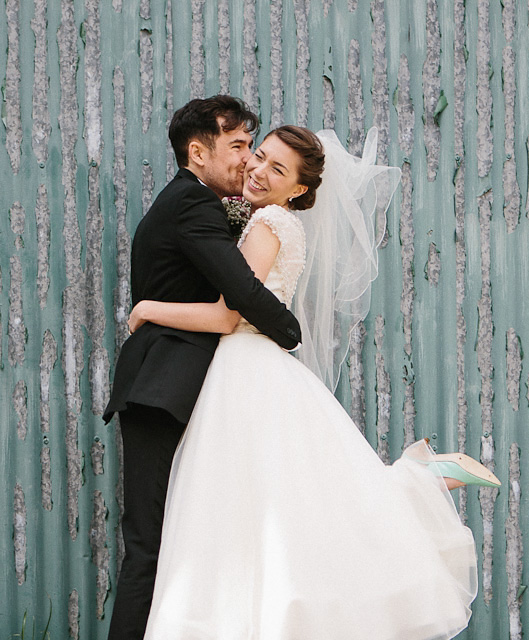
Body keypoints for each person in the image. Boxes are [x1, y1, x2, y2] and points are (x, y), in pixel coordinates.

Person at [133, 125, 494, 639]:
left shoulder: (268, 225)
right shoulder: (276, 222)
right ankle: (421, 473)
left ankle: (424, 476)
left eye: (277, 170)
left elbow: (226, 317)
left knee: (244, 511)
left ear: (299, 190)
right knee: (290, 508)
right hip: (259, 367)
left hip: (244, 368)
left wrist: (149, 308)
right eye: (258, 157)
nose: (258, 171)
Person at [102, 96, 303, 640]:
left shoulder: (188, 203)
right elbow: (240, 294)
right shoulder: (194, 205)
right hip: (162, 388)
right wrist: (289, 333)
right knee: (149, 547)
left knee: (177, 542)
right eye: (238, 146)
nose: (248, 161)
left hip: (176, 390)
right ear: (198, 152)